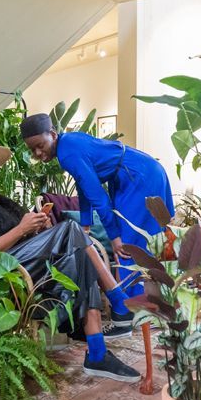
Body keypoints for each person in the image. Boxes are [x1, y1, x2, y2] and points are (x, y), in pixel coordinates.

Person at [0, 145, 140, 382]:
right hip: (0, 276)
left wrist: (39, 230)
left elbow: (23, 241)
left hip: (25, 265)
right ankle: (117, 305)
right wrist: (21, 228)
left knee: (78, 250)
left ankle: (98, 352)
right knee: (71, 229)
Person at [19, 114, 175, 301]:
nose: (37, 153)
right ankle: (150, 307)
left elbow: (99, 198)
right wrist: (86, 224)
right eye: (32, 149)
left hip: (138, 176)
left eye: (40, 145)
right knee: (139, 245)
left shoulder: (67, 152)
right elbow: (84, 186)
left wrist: (115, 238)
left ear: (52, 134)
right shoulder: (68, 142)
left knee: (129, 247)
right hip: (135, 172)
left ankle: (135, 312)